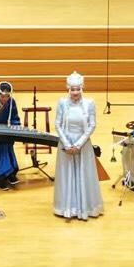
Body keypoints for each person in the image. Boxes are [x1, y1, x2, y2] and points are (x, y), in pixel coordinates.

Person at [53, 71, 103, 221]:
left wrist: (79, 144)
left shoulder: (89, 103)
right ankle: (68, 208)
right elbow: (58, 124)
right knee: (67, 174)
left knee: (84, 174)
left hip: (83, 144)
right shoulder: (62, 103)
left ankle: (85, 208)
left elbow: (92, 125)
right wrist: (67, 144)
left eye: (78, 89)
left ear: (82, 88)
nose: (75, 92)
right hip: (66, 143)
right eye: (72, 89)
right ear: (68, 89)